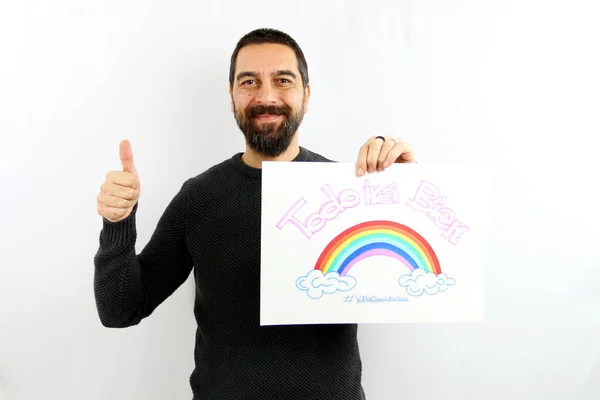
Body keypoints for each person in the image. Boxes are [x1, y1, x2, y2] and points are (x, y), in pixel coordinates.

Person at [94, 27, 416, 400]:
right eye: (249, 81)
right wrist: (117, 223)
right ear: (232, 96)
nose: (266, 96)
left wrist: (401, 191)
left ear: (306, 95)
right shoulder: (198, 198)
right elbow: (120, 309)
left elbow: (404, 279)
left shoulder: (348, 191)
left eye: (283, 80)